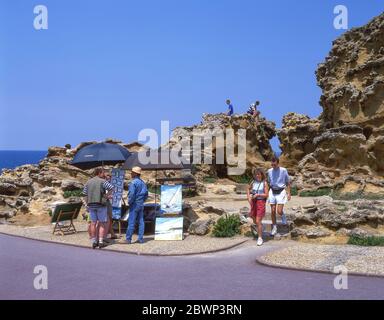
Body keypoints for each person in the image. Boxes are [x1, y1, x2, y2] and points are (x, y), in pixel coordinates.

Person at [83, 167, 114, 249]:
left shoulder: (88, 182)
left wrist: (87, 204)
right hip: (101, 205)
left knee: (93, 223)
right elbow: (112, 187)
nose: (104, 174)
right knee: (102, 223)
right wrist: (106, 196)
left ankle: (94, 241)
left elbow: (84, 194)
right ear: (99, 173)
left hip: (91, 205)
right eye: (103, 173)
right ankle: (100, 241)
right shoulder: (102, 181)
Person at [267, 157, 291, 236]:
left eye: (274, 164)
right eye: (272, 164)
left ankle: (283, 216)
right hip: (272, 191)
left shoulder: (283, 170)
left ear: (278, 163)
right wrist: (267, 193)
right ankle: (274, 227)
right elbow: (268, 183)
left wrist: (289, 193)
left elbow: (287, 182)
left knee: (279, 211)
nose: (273, 165)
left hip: (281, 191)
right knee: (273, 210)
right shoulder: (269, 171)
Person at [126, 166, 148, 244]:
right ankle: (140, 239)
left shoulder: (133, 182)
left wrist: (129, 202)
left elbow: (131, 194)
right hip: (141, 203)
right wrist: (142, 200)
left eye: (132, 172)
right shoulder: (143, 182)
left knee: (131, 221)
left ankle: (128, 239)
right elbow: (146, 194)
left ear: (135, 174)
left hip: (134, 204)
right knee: (141, 221)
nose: (131, 174)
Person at [247, 168, 269, 246]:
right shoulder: (253, 182)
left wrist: (258, 195)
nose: (257, 175)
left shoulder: (264, 183)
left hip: (260, 202)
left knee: (258, 220)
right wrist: (248, 198)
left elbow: (266, 195)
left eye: (259, 174)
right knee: (253, 218)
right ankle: (261, 228)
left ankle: (260, 238)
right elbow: (248, 189)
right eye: (256, 174)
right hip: (253, 202)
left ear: (262, 175)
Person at [105, 172, 118, 240]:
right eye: (107, 176)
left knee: (109, 220)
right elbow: (105, 195)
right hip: (106, 203)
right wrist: (108, 197)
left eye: (110, 176)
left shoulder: (108, 184)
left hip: (109, 203)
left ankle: (111, 234)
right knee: (108, 219)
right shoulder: (105, 185)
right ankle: (109, 234)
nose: (109, 178)